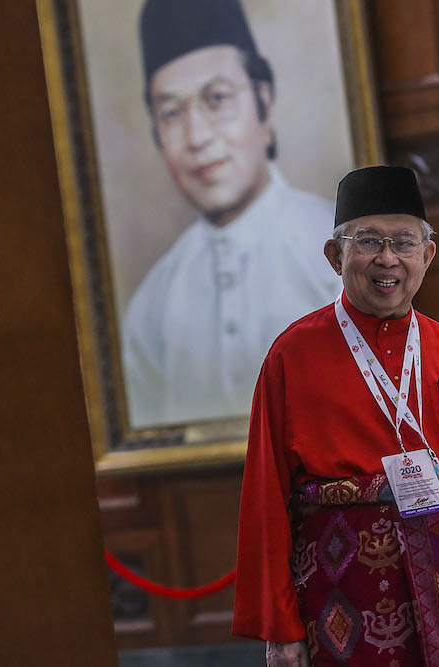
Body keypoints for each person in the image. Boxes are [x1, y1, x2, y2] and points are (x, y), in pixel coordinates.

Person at [232, 166, 439, 666]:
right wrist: (280, 630)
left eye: (404, 243)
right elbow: (265, 496)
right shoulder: (291, 356)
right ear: (335, 256)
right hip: (346, 595)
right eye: (368, 241)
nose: (387, 259)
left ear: (427, 256)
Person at [123, 0, 341, 427]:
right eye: (172, 113)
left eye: (217, 98)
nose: (197, 137)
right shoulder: (150, 312)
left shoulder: (339, 256)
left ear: (263, 101)